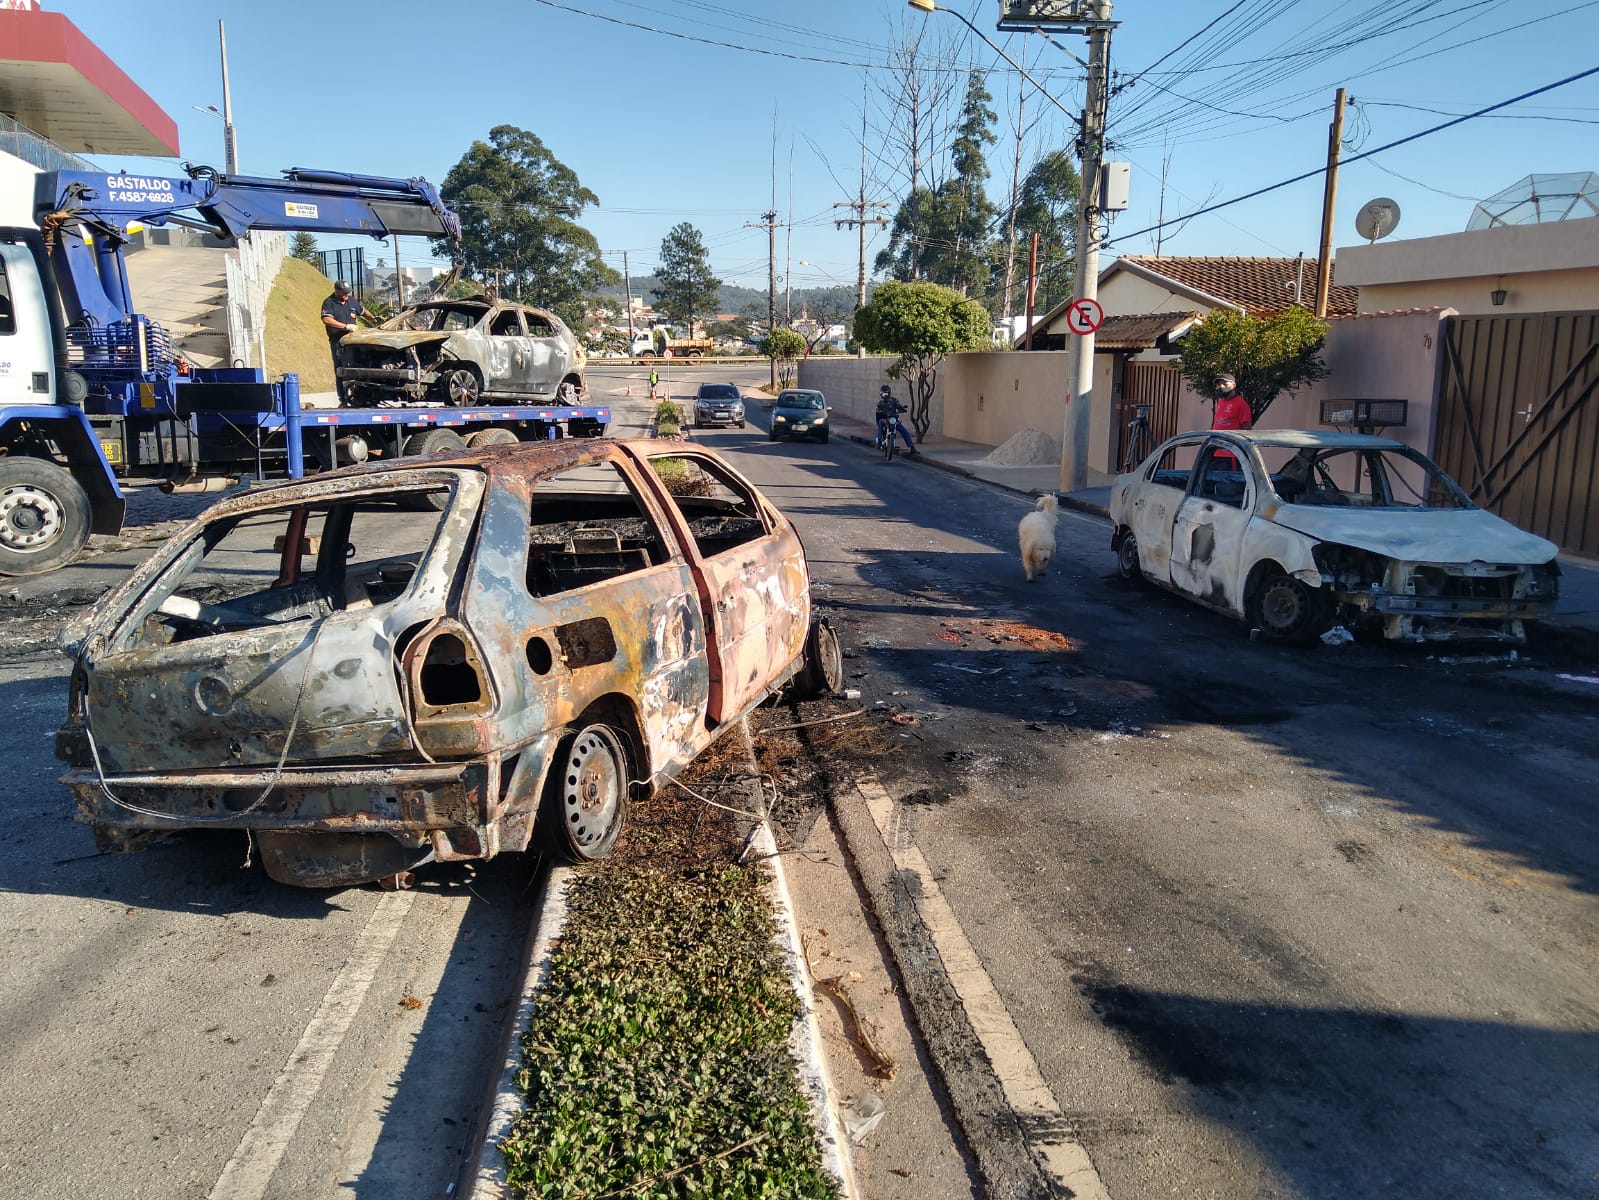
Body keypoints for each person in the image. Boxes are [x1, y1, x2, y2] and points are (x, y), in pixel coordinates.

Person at [321, 281, 373, 404]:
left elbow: (363, 311)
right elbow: (327, 319)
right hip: (339, 342)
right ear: (337, 291)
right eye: (344, 293)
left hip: (354, 341)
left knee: (360, 365)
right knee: (341, 368)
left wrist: (374, 318)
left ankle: (362, 396)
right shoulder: (329, 303)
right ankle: (343, 398)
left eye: (348, 293)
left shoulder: (351, 301)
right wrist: (346, 326)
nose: (346, 295)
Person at [1210, 372, 1252, 466]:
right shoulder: (1220, 403)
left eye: (1225, 384)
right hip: (1215, 452)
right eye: (1218, 384)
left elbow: (1247, 430)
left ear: (1234, 385)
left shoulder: (1241, 405)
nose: (1221, 386)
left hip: (1231, 455)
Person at [875, 384, 916, 454]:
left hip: (893, 419)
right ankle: (879, 441)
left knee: (904, 430)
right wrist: (881, 415)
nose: (884, 395)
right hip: (885, 420)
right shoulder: (880, 403)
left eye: (886, 393)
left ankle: (912, 447)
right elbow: (878, 412)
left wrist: (902, 409)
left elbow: (899, 407)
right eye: (883, 393)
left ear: (889, 393)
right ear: (881, 394)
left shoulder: (894, 400)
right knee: (880, 423)